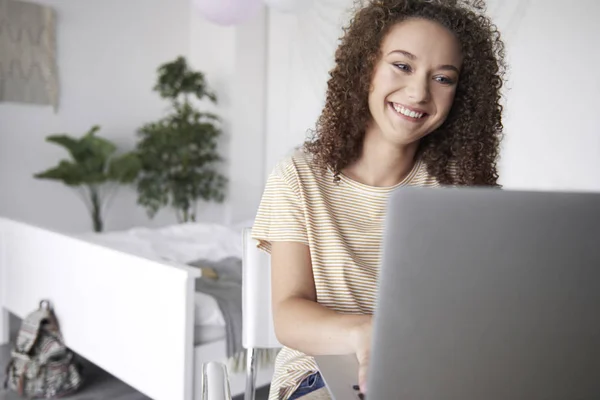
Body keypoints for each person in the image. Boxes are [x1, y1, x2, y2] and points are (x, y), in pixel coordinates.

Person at [252, 0, 506, 398]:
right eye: (402, 66)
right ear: (366, 65)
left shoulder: (460, 190)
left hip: (428, 376)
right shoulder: (299, 176)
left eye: (443, 78)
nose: (419, 91)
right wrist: (367, 334)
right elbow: (289, 315)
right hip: (319, 375)